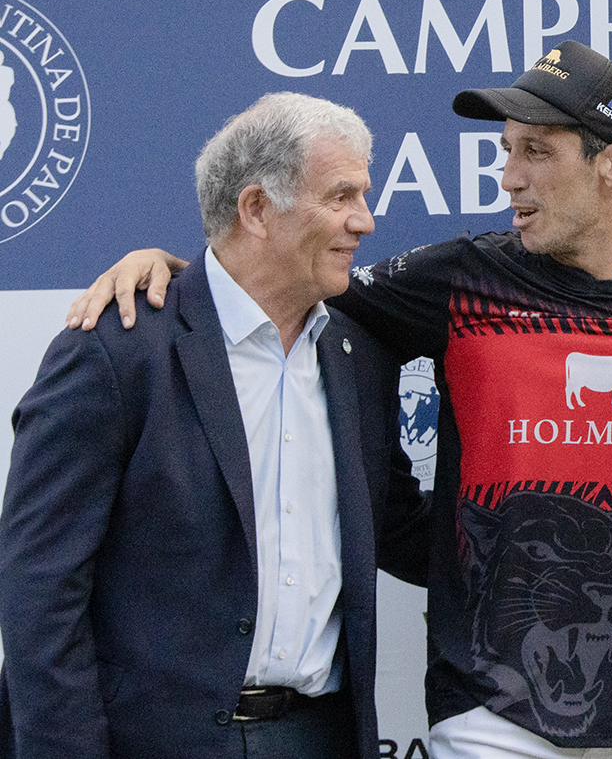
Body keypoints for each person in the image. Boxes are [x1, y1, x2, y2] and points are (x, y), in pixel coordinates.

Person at [68, 44, 612, 758]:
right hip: (491, 717)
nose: (510, 177)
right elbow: (279, 286)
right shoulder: (465, 276)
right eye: (506, 150)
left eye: (536, 151)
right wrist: (173, 271)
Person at [0, 93, 429, 759]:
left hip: (321, 737)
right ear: (256, 209)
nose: (365, 221)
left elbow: (398, 528)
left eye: (363, 195)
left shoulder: (360, 355)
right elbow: (40, 585)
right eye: (341, 196)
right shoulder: (118, 351)